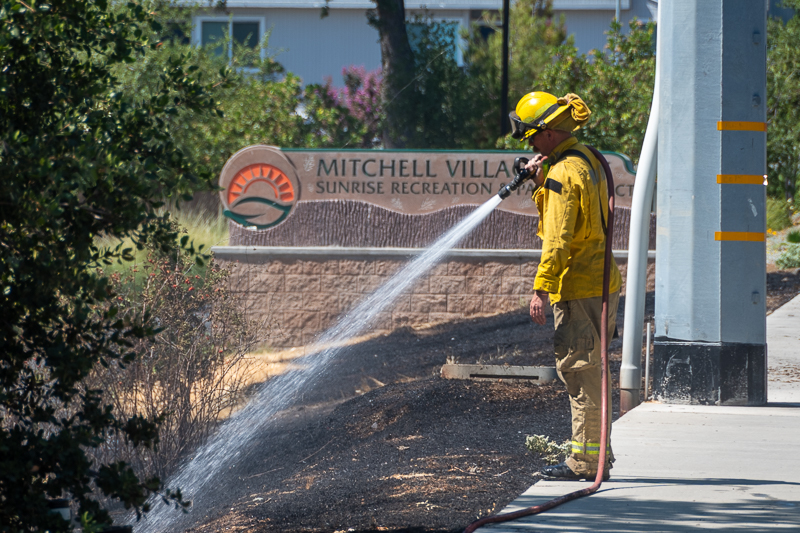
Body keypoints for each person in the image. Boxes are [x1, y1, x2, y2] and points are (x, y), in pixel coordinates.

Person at [510, 91, 622, 481]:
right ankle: (596, 456)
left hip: (578, 285)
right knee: (592, 371)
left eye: (532, 137)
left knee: (580, 371)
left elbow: (557, 239)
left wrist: (541, 289)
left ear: (550, 133)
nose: (530, 145)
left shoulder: (562, 173)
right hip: (600, 281)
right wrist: (543, 181)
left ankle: (585, 463)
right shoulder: (585, 158)